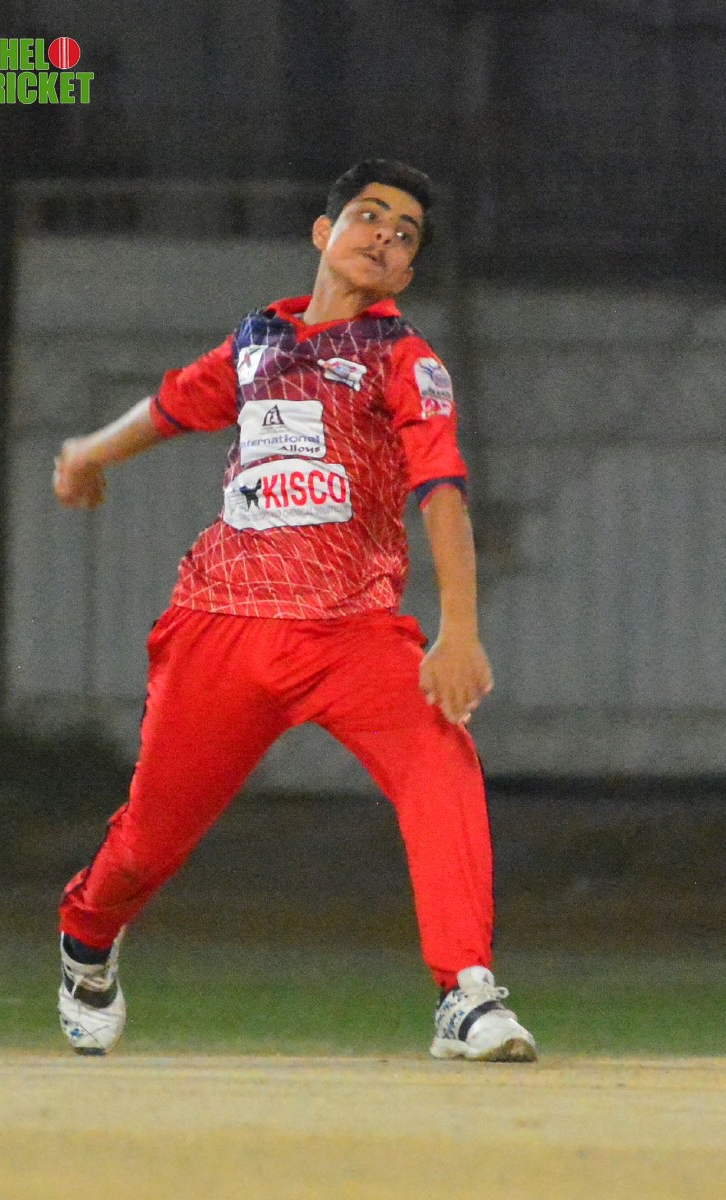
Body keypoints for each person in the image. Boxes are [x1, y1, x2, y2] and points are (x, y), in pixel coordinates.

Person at [52, 159, 537, 1063]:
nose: (383, 237)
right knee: (150, 839)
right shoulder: (257, 342)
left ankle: (464, 993)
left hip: (349, 631)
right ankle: (86, 939)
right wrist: (87, 453)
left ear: (406, 272)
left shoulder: (404, 360)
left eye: (404, 234)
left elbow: (440, 488)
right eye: (368, 216)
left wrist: (459, 631)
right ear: (324, 233)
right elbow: (171, 405)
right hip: (220, 622)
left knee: (440, 760)